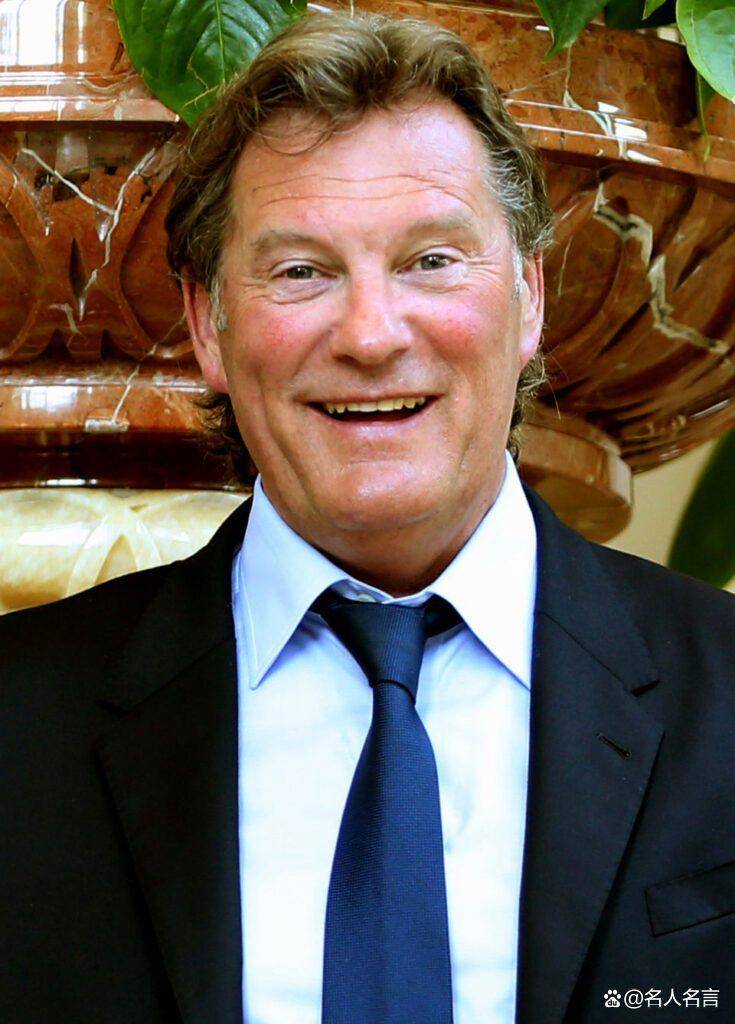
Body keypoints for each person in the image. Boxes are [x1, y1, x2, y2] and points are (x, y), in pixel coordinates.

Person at [2, 10, 734, 1024]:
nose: (371, 335)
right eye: (301, 271)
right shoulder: (18, 726)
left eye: (432, 259)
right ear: (208, 323)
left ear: (528, 296)